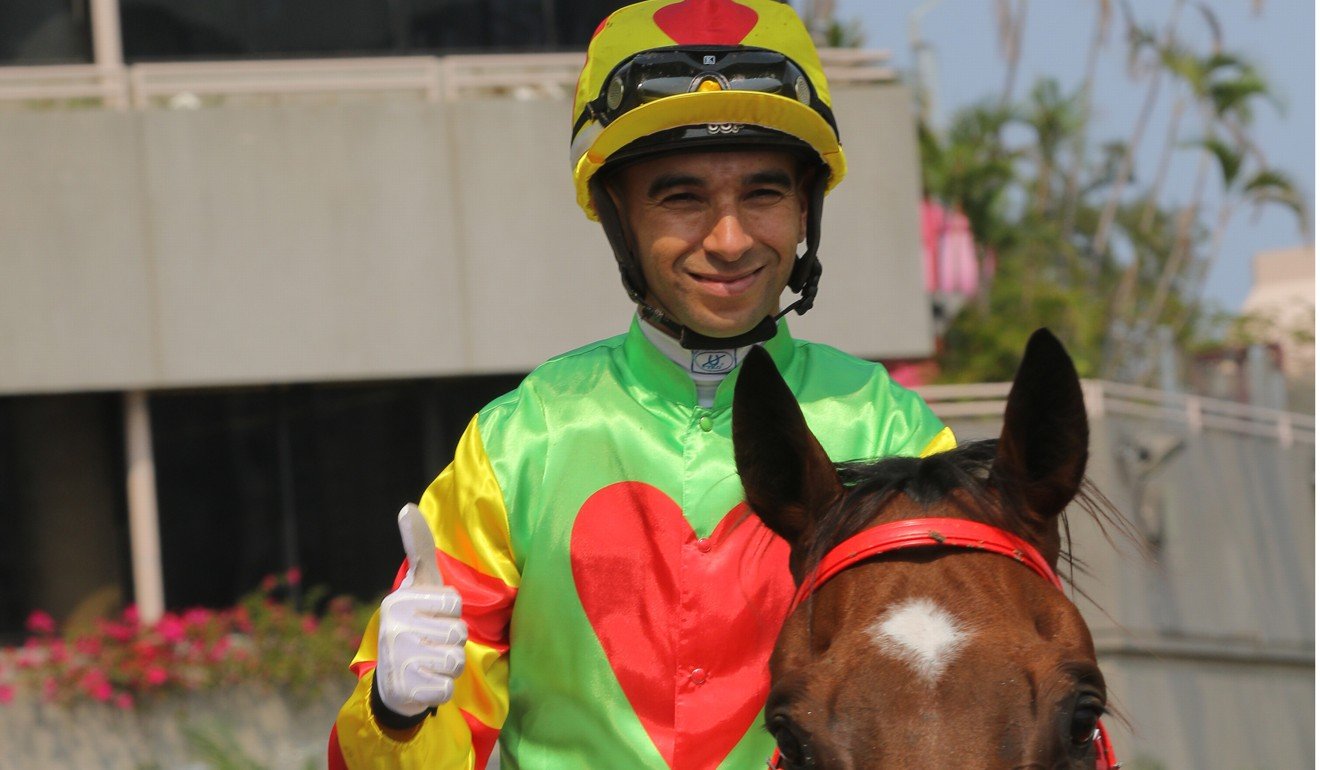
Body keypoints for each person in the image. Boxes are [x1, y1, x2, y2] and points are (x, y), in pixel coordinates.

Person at [329, 1, 955, 767]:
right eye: (682, 197)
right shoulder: (518, 443)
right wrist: (395, 713)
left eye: (762, 194)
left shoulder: (898, 436)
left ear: (804, 209)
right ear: (615, 211)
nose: (729, 241)